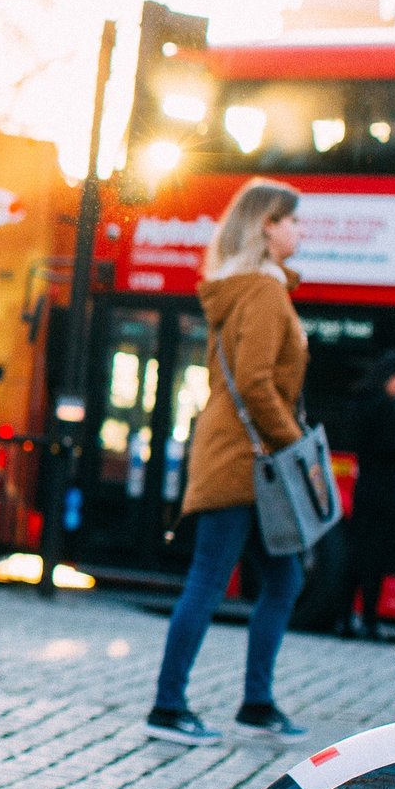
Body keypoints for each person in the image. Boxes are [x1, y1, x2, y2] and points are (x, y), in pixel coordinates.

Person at [146, 179, 313, 746]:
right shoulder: (264, 293)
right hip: (245, 458)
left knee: (280, 577)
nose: (299, 230)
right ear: (267, 225)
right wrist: (297, 447)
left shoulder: (244, 288)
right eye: (292, 221)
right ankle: (169, 707)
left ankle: (257, 703)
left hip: (239, 452)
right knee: (211, 578)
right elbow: (256, 384)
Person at [339, 354, 395, 639]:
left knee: (359, 558)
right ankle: (368, 619)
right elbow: (393, 447)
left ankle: (346, 616)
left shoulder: (364, 404)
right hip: (384, 493)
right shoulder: (384, 409)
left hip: (368, 491)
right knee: (374, 560)